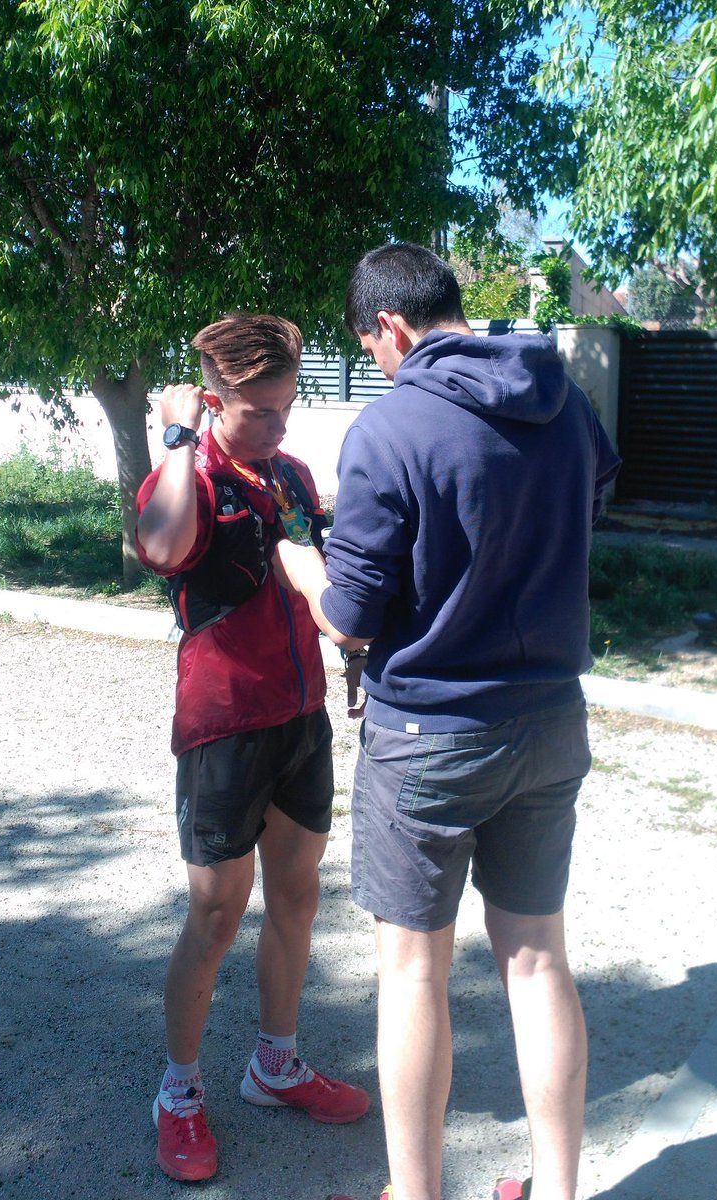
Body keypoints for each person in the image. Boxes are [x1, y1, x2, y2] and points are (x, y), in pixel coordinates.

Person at [274, 244, 620, 1200]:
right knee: (538, 956)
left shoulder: (392, 428)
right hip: (550, 719)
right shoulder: (563, 397)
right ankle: (556, 1193)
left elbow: (348, 614)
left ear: (386, 328)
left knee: (414, 974)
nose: (377, 363)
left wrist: (302, 563)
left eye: (368, 347)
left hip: (429, 734)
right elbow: (593, 499)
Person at [135, 313, 369, 1184]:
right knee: (215, 916)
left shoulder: (293, 475)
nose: (277, 429)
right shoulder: (186, 472)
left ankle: (275, 1064)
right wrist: (174, 438)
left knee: (298, 898)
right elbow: (160, 547)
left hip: (299, 718)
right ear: (211, 400)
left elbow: (321, 574)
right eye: (258, 413)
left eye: (285, 408)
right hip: (223, 724)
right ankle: (179, 1092)